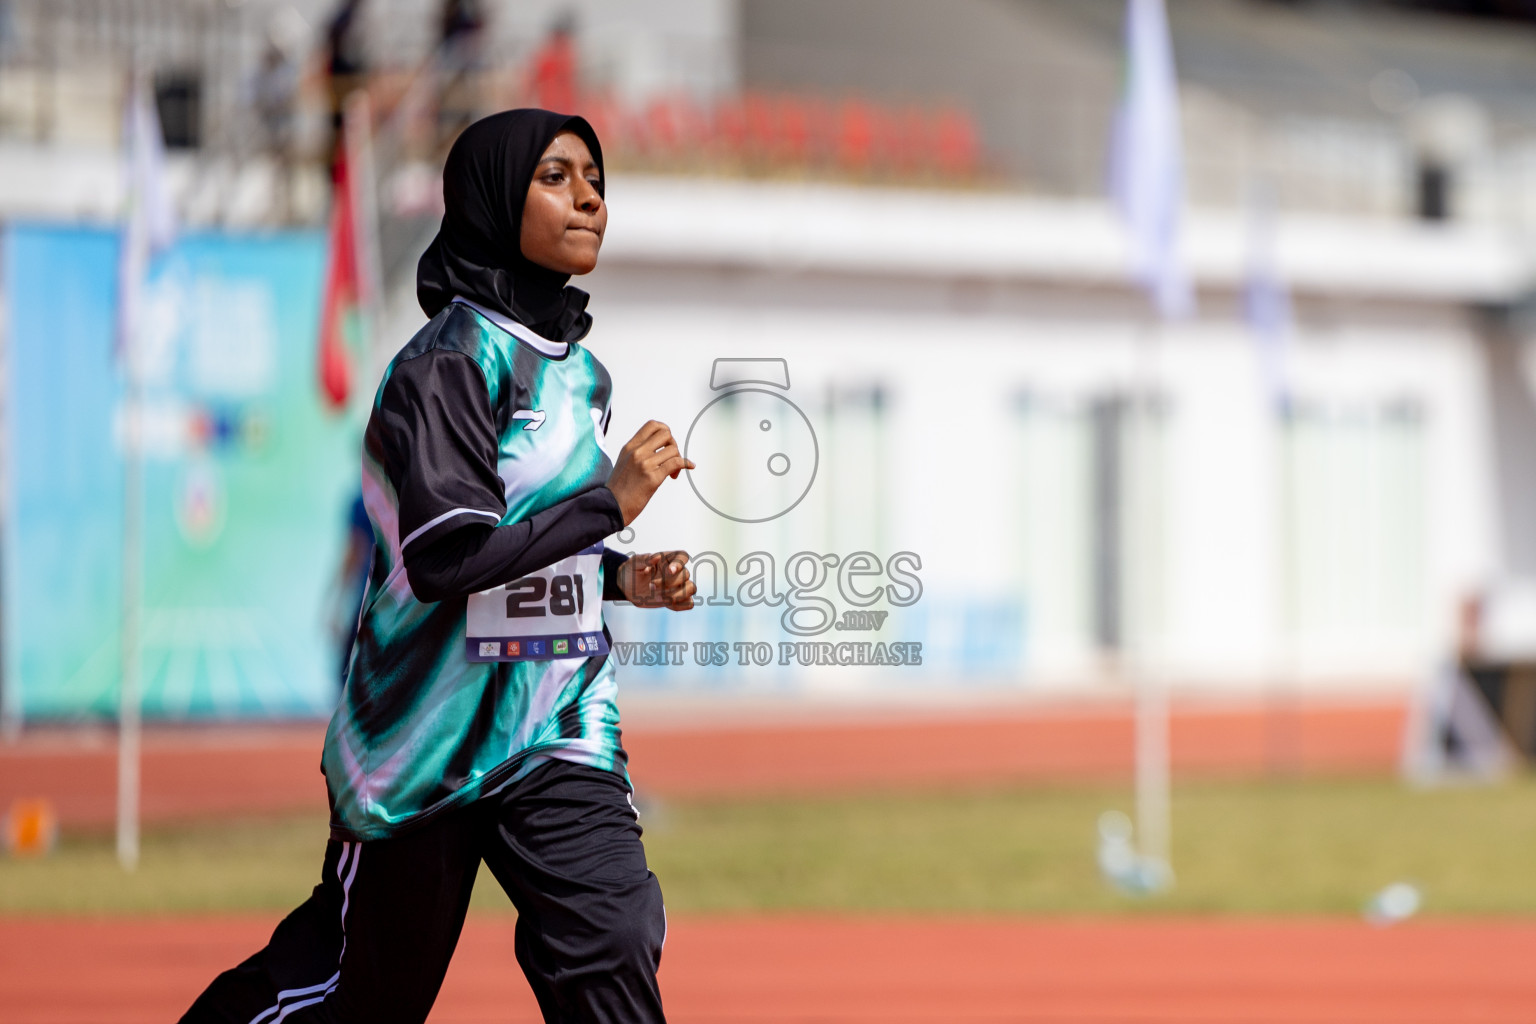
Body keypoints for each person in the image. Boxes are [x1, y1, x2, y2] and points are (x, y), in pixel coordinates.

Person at [181, 110, 695, 1024]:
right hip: (428, 735)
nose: (588, 198)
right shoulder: (449, 364)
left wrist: (621, 574)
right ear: (494, 198)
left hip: (555, 720)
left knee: (613, 944)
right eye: (556, 177)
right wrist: (606, 503)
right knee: (361, 997)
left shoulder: (584, 375)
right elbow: (448, 557)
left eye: (597, 180)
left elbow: (542, 539)